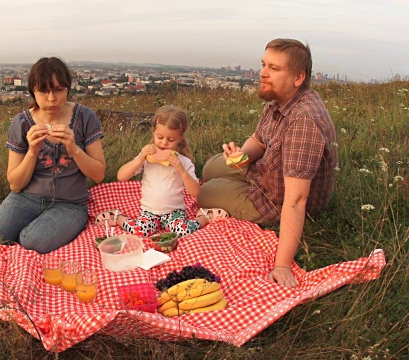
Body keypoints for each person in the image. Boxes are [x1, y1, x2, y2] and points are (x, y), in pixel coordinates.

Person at [197, 39, 338, 288]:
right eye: (263, 65)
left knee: (206, 191)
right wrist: (240, 157)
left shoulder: (303, 121)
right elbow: (258, 141)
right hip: (268, 170)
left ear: (297, 78)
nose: (263, 73)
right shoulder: (279, 101)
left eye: (274, 68)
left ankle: (229, 189)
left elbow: (296, 200)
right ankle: (229, 180)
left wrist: (282, 265)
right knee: (211, 168)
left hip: (276, 198)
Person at [0, 56, 106, 254]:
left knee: (33, 241)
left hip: (70, 204)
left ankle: (12, 228)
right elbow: (15, 184)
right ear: (33, 91)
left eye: (58, 90)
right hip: (26, 198)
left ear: (68, 88)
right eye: (43, 91)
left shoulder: (84, 117)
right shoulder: (22, 123)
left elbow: (98, 174)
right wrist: (32, 151)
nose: (51, 98)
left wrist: (74, 149)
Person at [95, 105, 229, 238]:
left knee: (183, 232)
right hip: (149, 212)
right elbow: (121, 176)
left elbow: (195, 191)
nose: (164, 143)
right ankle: (118, 217)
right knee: (139, 231)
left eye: (170, 140)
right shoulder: (146, 158)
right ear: (153, 132)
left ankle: (205, 217)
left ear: (180, 139)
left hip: (174, 212)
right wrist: (140, 158)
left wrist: (181, 170)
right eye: (159, 137)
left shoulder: (183, 162)